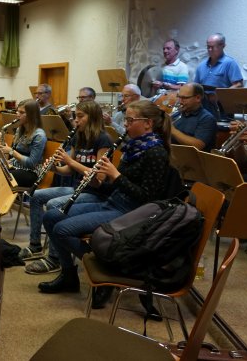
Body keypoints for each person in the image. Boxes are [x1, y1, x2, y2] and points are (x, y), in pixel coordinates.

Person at [38, 100, 171, 300]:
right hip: (113, 202)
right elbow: (116, 187)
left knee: (62, 229)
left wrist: (116, 176)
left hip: (131, 213)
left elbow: (148, 198)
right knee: (50, 217)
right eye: (125, 119)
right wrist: (98, 184)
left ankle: (106, 269)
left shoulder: (156, 153)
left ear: (148, 123)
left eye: (130, 120)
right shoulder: (134, 148)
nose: (125, 124)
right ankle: (69, 275)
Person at [22, 101, 113, 273]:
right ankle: (35, 245)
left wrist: (70, 160)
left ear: (92, 118)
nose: (75, 120)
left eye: (80, 116)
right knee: (35, 196)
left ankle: (54, 258)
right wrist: (54, 168)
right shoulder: (78, 136)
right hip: (78, 188)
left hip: (97, 194)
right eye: (75, 116)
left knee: (53, 205)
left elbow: (100, 176)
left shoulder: (104, 139)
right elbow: (69, 170)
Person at [194, 33, 243, 119]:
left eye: (212, 47)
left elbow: (238, 84)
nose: (209, 49)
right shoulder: (201, 65)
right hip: (203, 106)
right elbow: (196, 86)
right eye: (208, 47)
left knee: (220, 131)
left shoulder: (230, 63)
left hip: (222, 107)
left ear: (222, 46)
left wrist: (220, 96)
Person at [0, 99, 47, 187]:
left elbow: (31, 163)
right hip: (16, 166)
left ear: (32, 115)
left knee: (1, 177)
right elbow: (14, 153)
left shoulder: (39, 135)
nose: (17, 115)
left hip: (31, 173)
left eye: (21, 112)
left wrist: (11, 151)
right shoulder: (19, 130)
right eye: (17, 111)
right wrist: (6, 155)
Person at [171, 83, 217, 151]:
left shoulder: (207, 118)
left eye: (184, 98)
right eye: (179, 97)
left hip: (193, 159)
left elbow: (198, 145)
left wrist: (172, 130)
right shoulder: (177, 114)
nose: (180, 101)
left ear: (198, 98)